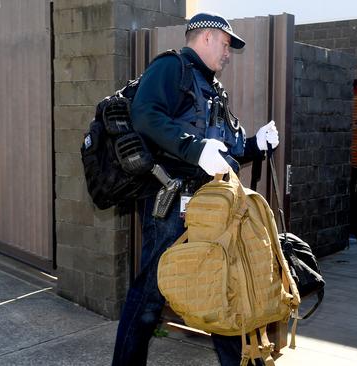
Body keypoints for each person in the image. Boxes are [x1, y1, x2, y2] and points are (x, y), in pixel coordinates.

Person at [112, 12, 279, 366]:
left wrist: (255, 145)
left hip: (208, 205)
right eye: (225, 44)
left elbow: (222, 149)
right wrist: (193, 148)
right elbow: (146, 115)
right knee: (151, 295)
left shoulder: (212, 87)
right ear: (206, 37)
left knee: (222, 282)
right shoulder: (172, 68)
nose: (229, 53)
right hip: (169, 201)